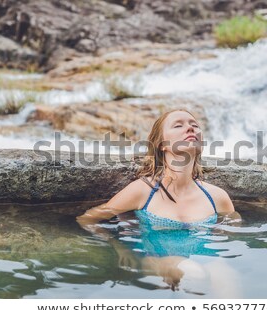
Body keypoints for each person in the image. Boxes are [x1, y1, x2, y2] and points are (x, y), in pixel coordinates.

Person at [76, 108, 241, 294]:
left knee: (229, 283)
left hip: (208, 256)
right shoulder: (143, 191)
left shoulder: (217, 197)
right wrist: (119, 247)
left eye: (194, 125)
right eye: (178, 125)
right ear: (162, 144)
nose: (190, 128)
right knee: (194, 273)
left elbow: (233, 225)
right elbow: (87, 219)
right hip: (157, 258)